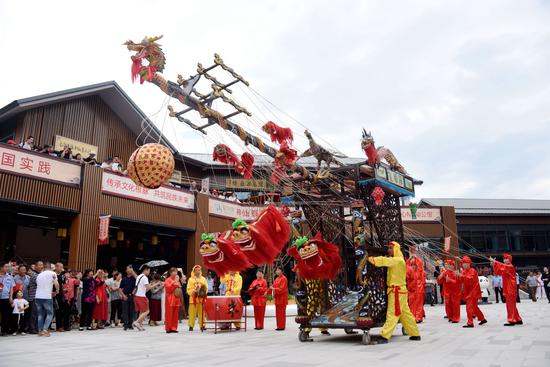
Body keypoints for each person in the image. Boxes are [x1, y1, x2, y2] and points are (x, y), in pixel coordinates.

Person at [368, 241, 421, 343]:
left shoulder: (398, 260)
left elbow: (384, 261)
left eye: (390, 248)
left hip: (397, 292)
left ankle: (384, 335)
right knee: (405, 314)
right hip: (399, 291)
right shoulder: (398, 260)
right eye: (388, 248)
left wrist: (370, 259)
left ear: (396, 249)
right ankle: (415, 333)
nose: (389, 250)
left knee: (392, 313)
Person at [490, 254, 523, 326]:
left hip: (510, 288)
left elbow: (503, 267)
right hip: (508, 287)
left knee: (510, 305)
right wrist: (494, 264)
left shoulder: (510, 266)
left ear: (510, 260)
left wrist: (495, 262)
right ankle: (518, 319)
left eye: (506, 259)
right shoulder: (506, 267)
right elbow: (498, 272)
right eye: (504, 259)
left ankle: (511, 320)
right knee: (512, 305)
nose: (504, 260)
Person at [460, 256, 487, 328]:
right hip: (469, 291)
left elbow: (470, 279)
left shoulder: (472, 270)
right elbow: (462, 281)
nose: (464, 265)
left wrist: (461, 276)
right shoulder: (464, 271)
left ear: (469, 264)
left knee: (469, 307)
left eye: (466, 263)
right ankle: (482, 318)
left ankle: (470, 323)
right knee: (474, 307)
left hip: (473, 291)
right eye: (463, 263)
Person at [35, 262, 59, 336]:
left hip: (37, 296)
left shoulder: (39, 275)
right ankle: (45, 330)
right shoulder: (52, 273)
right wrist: (57, 290)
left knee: (40, 314)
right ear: (50, 267)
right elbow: (56, 283)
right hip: (46, 296)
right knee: (50, 313)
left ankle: (40, 330)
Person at [187, 265, 208, 331]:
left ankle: (202, 325)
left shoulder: (203, 279)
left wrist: (203, 292)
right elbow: (188, 289)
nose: (198, 271)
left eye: (199, 270)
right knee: (192, 313)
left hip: (201, 299)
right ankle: (191, 326)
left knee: (202, 313)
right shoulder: (190, 279)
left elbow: (206, 288)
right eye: (196, 270)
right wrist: (194, 291)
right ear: (194, 271)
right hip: (193, 299)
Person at [133, 266, 153, 331]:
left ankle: (140, 325)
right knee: (147, 311)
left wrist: (150, 285)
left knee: (141, 311)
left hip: (137, 295)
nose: (149, 272)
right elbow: (148, 288)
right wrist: (156, 284)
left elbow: (144, 288)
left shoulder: (139, 276)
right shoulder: (144, 277)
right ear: (146, 270)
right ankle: (137, 322)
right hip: (141, 296)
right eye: (149, 271)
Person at [26, 261, 43, 334]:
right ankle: (32, 329)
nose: (41, 266)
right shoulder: (34, 274)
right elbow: (40, 283)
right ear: (35, 266)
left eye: (42, 265)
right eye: (39, 265)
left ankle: (37, 328)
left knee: (38, 313)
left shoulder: (41, 274)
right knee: (34, 314)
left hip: (40, 297)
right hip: (34, 297)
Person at [164, 268, 182, 333]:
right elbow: (168, 289)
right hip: (169, 299)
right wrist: (175, 282)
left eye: (176, 271)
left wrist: (176, 282)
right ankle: (168, 328)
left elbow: (179, 287)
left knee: (175, 315)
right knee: (169, 314)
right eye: (174, 271)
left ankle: (174, 328)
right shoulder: (167, 280)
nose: (175, 273)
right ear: (171, 272)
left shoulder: (177, 279)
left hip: (176, 299)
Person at [54, 262, 71, 332]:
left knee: (60, 311)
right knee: (51, 311)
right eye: (60, 267)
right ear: (56, 267)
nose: (62, 268)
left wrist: (65, 290)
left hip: (60, 295)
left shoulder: (62, 275)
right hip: (52, 294)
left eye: (62, 267)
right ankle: (47, 327)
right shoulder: (52, 274)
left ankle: (59, 326)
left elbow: (62, 284)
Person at [119, 266, 136, 331]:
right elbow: (120, 288)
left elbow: (136, 285)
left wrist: (133, 293)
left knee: (131, 311)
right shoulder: (124, 279)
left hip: (131, 296)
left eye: (131, 269)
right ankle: (125, 324)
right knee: (125, 311)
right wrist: (123, 295)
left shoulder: (134, 278)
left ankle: (130, 324)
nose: (130, 270)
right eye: (128, 269)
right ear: (126, 271)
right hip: (125, 296)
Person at [0, 262, 16, 335]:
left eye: (8, 267)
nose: (7, 268)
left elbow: (12, 288)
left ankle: (4, 330)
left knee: (5, 315)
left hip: (6, 298)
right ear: (1, 267)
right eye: (6, 267)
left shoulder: (10, 277)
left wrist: (11, 297)